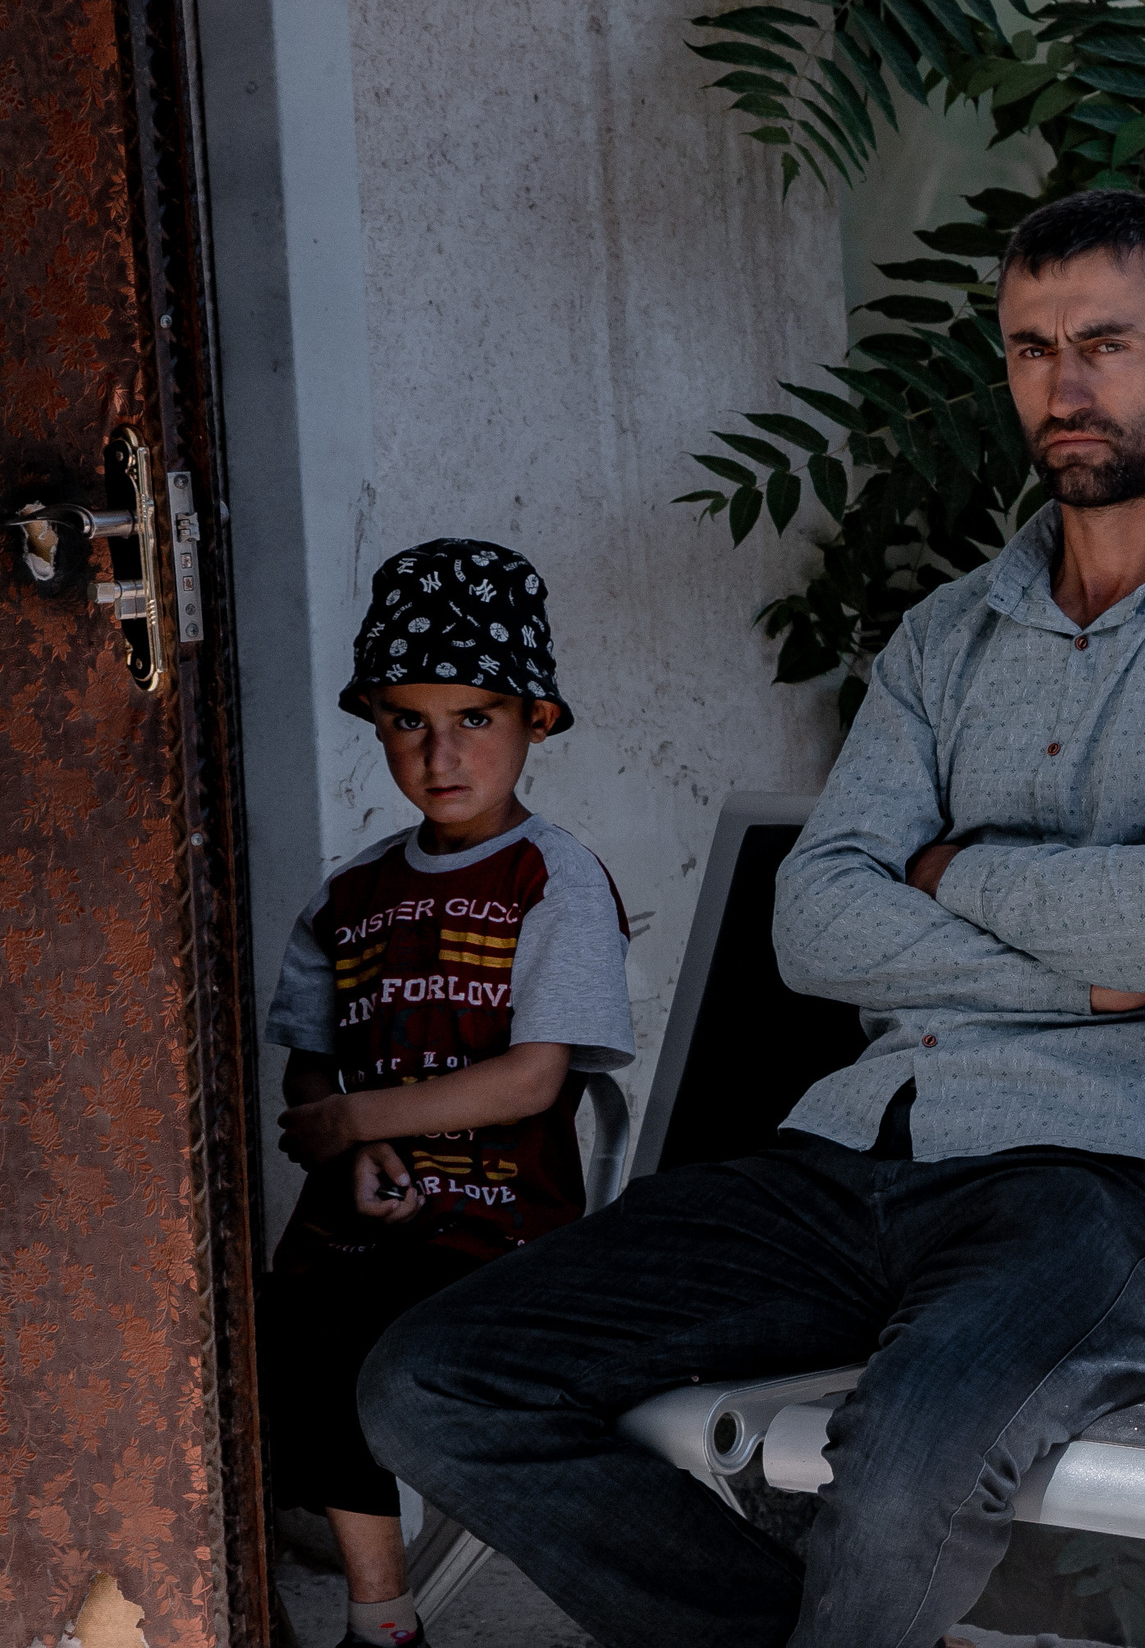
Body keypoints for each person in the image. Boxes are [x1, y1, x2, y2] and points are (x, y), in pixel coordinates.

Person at [359, 189, 1145, 1648]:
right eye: (1031, 349)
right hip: (859, 1152)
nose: (1065, 387)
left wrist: (954, 871)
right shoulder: (946, 632)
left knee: (901, 1474)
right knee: (430, 1378)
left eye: (1107, 344)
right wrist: (1090, 962)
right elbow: (816, 922)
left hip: (1114, 1181)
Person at [259, 537, 636, 1648]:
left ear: (535, 722)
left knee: (343, 1334)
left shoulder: (550, 879)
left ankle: (380, 1622)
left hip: (498, 1232)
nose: (439, 753)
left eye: (474, 717)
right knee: (258, 1334)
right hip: (352, 1225)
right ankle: (333, 1606)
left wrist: (356, 1119)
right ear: (376, 725)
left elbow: (533, 1077)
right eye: (407, 722)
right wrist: (346, 1141)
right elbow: (312, 1055)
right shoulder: (353, 894)